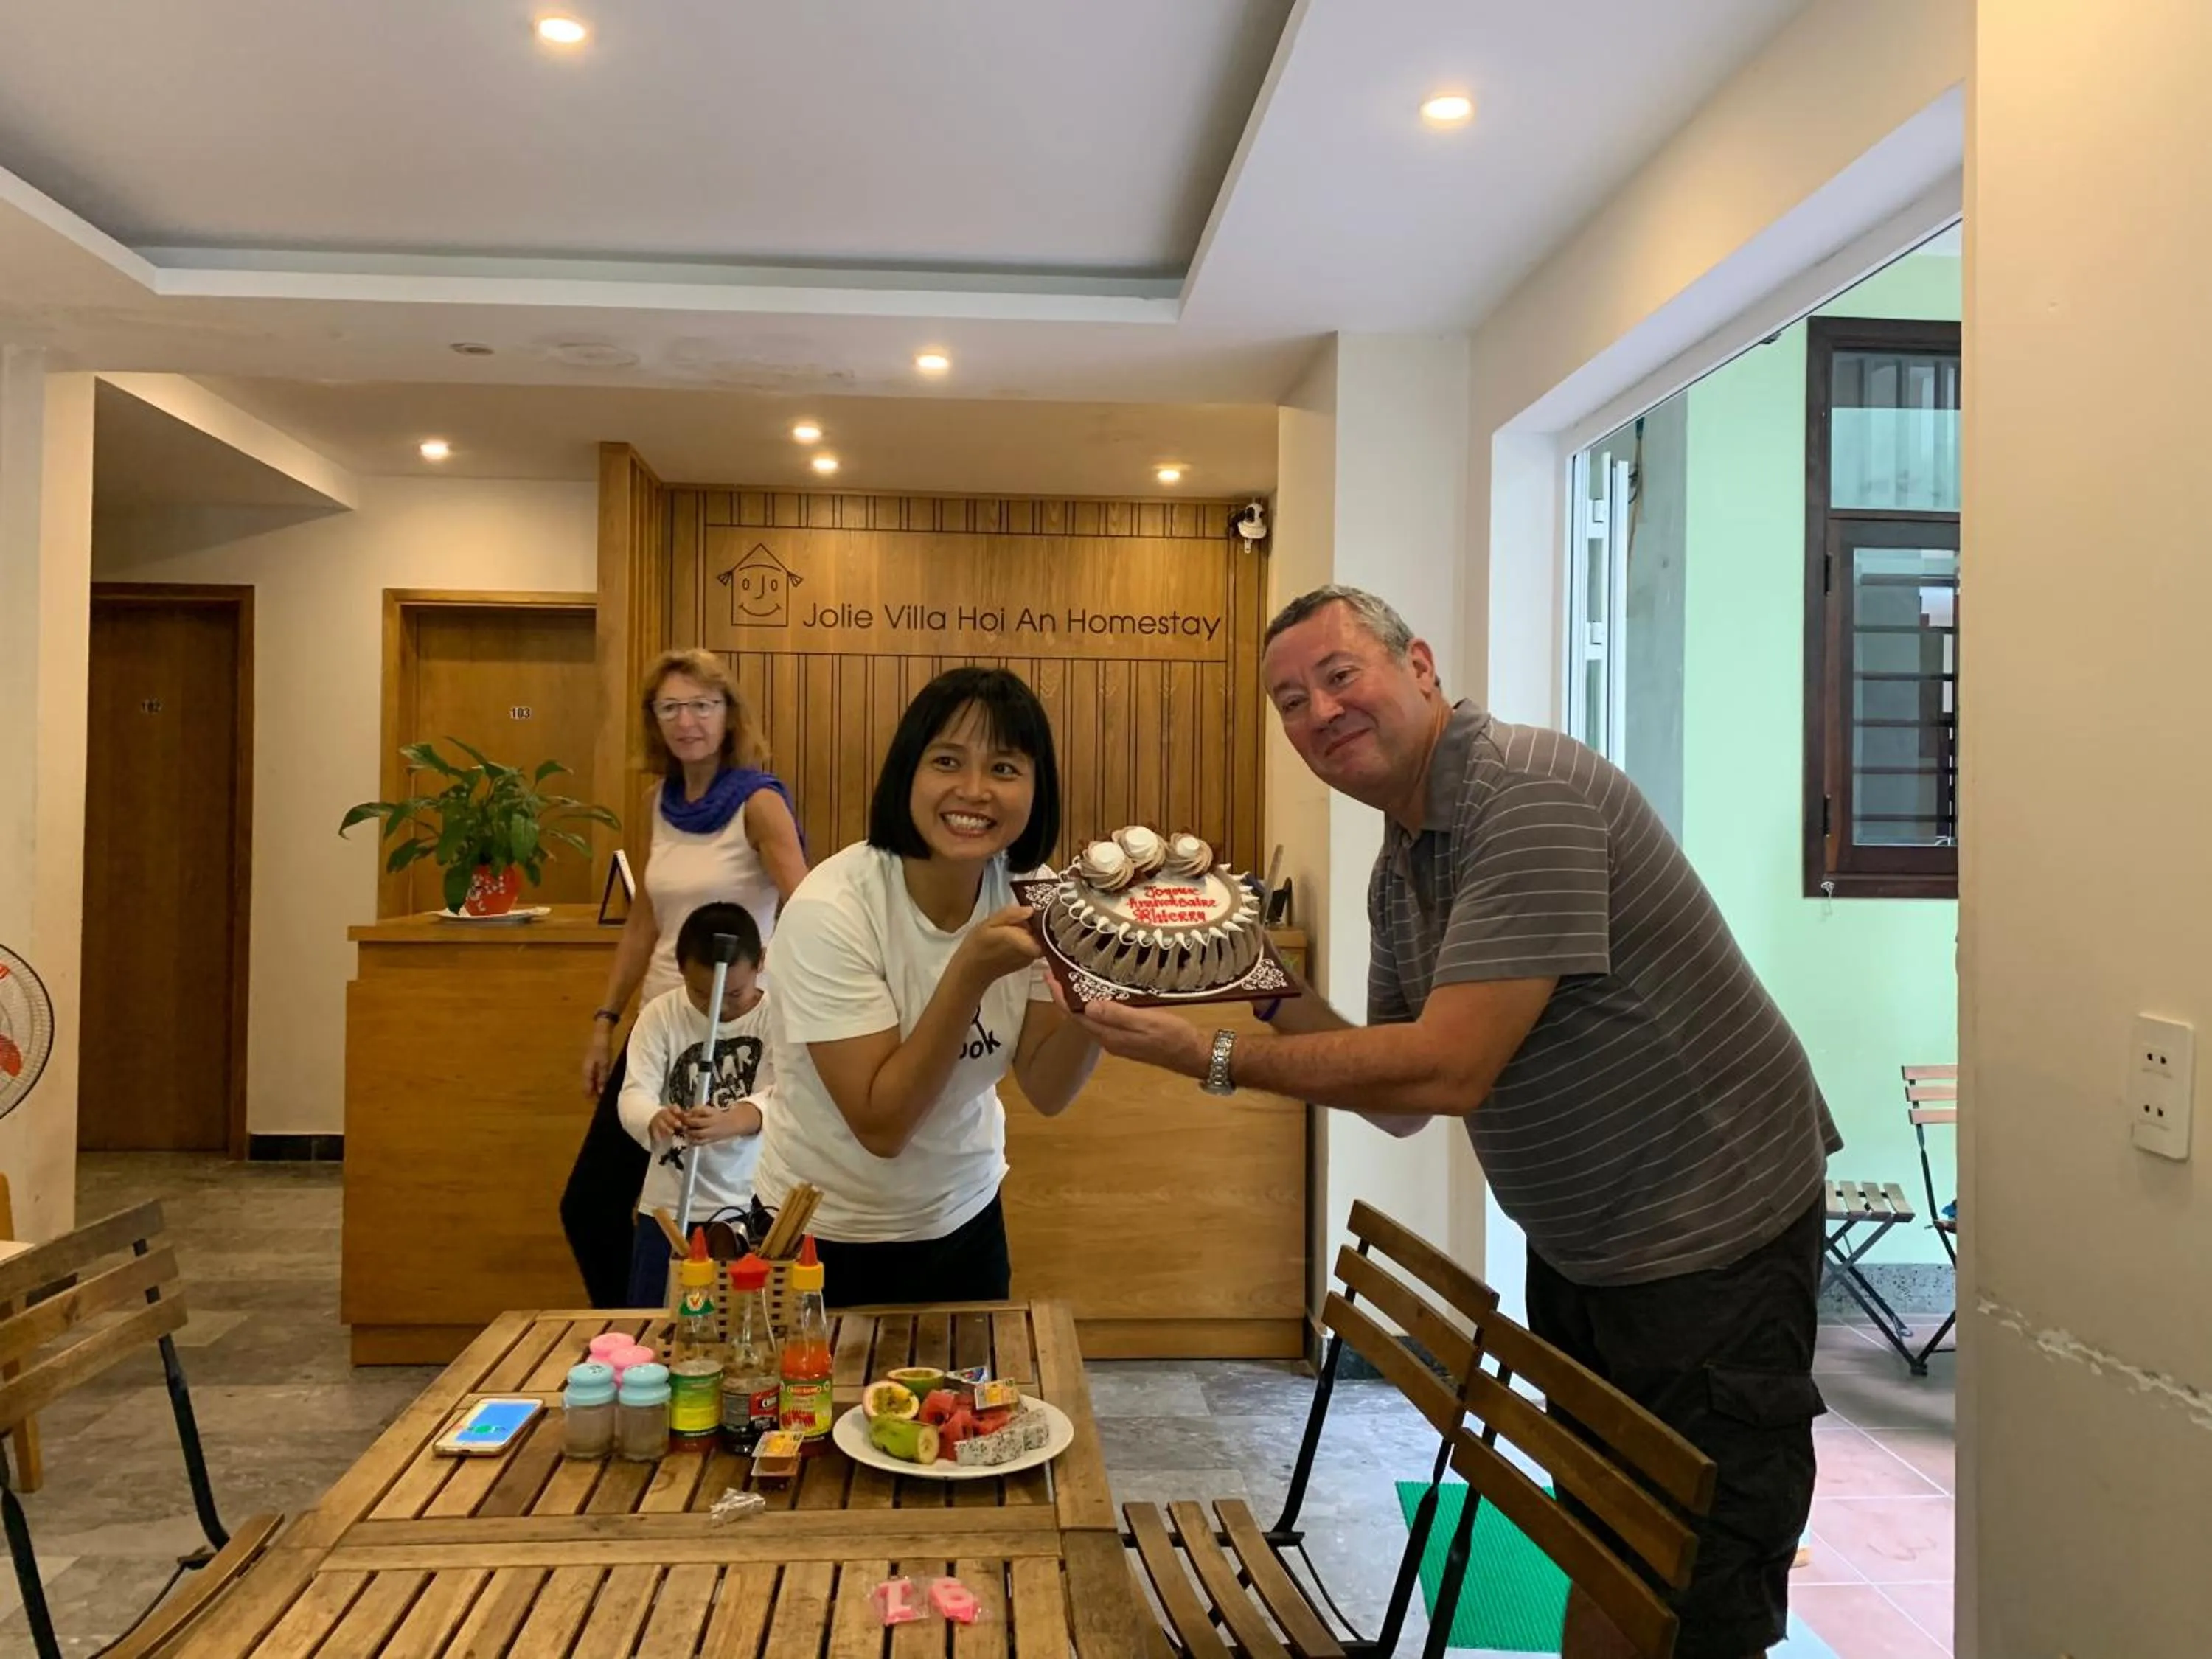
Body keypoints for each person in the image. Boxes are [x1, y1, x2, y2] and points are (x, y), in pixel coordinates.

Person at [1077, 585, 1839, 1659]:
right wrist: (1247, 972)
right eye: (1291, 701)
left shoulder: (1526, 793)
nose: (1319, 713)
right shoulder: (1408, 856)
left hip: (1713, 1238)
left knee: (1696, 1592)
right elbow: (1393, 1103)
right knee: (1605, 1545)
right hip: (1591, 1251)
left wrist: (1207, 1053)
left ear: (1421, 666)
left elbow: (1445, 1069)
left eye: (1340, 675)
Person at [752, 666, 1101, 1306]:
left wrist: (1094, 993)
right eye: (947, 761)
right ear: (907, 773)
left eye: (1004, 768)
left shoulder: (1036, 892)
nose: (974, 791)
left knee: (968, 1407)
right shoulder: (832, 908)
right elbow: (881, 1125)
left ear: (1037, 788)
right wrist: (969, 970)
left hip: (966, 1218)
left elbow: (1048, 1089)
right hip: (823, 1237)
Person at [560, 648, 807, 1307]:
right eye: (670, 707)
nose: (686, 721)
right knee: (593, 1206)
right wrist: (605, 1020)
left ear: (729, 716)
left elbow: (806, 906)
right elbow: (645, 921)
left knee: (729, 1211)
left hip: (738, 1029)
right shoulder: (660, 803)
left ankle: (724, 1336)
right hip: (661, 1026)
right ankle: (633, 1337)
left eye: (702, 705)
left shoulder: (757, 803)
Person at [615, 902, 776, 1307]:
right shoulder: (662, 1015)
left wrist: (737, 1119)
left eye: (733, 993)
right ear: (682, 971)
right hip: (668, 1207)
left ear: (761, 962)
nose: (719, 1007)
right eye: (701, 994)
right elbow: (634, 1093)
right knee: (655, 1319)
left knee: (740, 1320)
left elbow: (788, 1096)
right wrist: (653, 1117)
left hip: (749, 1200)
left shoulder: (779, 1016)